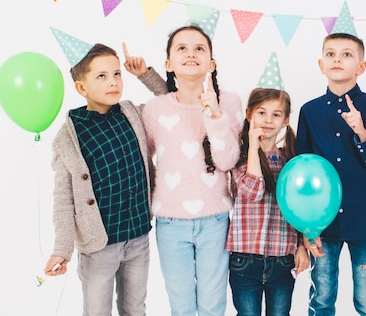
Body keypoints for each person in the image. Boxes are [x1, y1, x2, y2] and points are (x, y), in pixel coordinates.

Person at [43, 43, 167, 316]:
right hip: (98, 246)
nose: (113, 82)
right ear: (81, 88)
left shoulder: (132, 113)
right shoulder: (69, 136)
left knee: (135, 309)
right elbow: (63, 199)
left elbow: (170, 100)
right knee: (97, 311)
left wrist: (144, 73)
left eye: (116, 74)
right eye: (101, 76)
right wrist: (62, 249)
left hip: (137, 236)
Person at [129, 25, 243, 316]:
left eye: (199, 48)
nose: (191, 53)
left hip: (215, 220)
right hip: (170, 223)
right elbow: (142, 157)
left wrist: (214, 114)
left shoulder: (229, 103)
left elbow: (228, 161)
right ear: (168, 64)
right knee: (181, 304)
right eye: (181, 48)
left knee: (213, 303)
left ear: (211, 63)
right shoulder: (154, 110)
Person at [296, 32, 366, 316]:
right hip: (322, 225)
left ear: (361, 67)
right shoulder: (309, 112)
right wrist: (306, 228)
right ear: (320, 64)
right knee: (322, 299)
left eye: (347, 54)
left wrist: (362, 132)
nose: (337, 59)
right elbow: (303, 172)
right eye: (331, 54)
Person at [227, 87, 310, 316]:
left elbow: (300, 209)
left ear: (285, 121)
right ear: (249, 114)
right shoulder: (239, 159)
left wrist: (301, 245)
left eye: (276, 114)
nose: (268, 120)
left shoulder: (291, 161)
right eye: (262, 113)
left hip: (282, 259)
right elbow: (254, 191)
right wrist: (253, 146)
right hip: (245, 260)